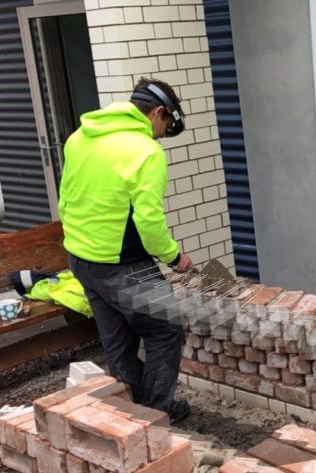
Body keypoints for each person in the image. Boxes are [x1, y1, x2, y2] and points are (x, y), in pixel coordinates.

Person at [58, 77, 194, 422]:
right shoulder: (145, 151)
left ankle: (131, 419)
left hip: (81, 259)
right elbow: (149, 222)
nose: (162, 133)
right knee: (165, 331)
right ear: (158, 112)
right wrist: (174, 257)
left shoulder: (79, 138)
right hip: (122, 265)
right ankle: (156, 416)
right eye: (165, 124)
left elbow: (66, 199)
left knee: (117, 339)